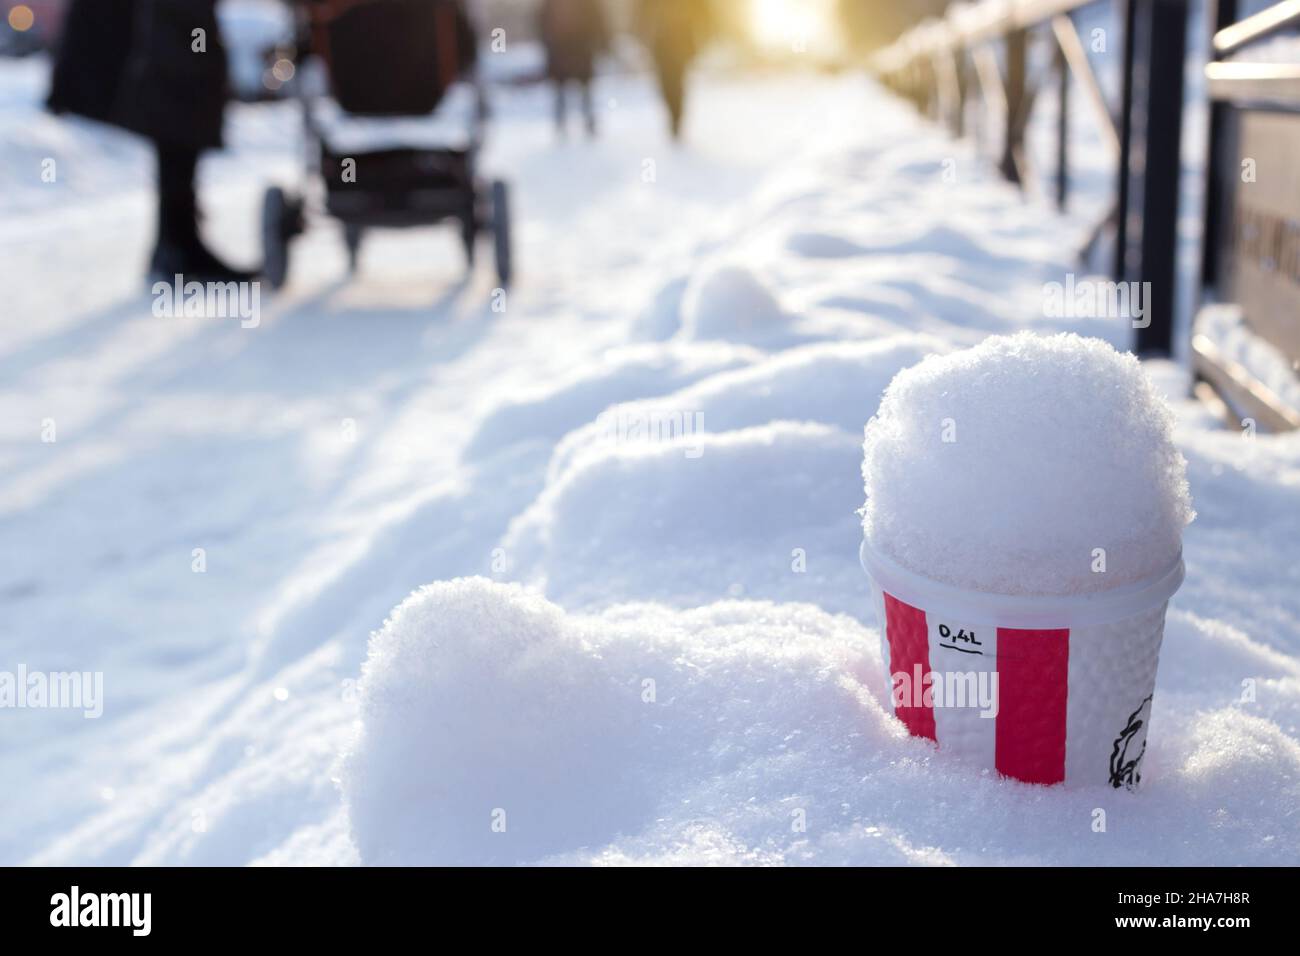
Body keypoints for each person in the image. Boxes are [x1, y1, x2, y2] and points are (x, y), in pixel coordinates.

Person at [47, 0, 256, 283]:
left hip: (174, 28)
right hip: (170, 29)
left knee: (181, 124)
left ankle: (177, 242)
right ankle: (177, 245)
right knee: (179, 118)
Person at [635, 0, 710, 140]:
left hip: (682, 42)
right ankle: (672, 114)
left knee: (678, 82)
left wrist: (703, 35)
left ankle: (677, 117)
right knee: (665, 85)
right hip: (660, 45)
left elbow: (703, 12)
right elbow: (642, 13)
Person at [538, 0, 610, 138]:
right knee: (577, 88)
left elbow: (542, 20)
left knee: (572, 89)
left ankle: (568, 122)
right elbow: (597, 18)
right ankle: (577, 122)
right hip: (575, 46)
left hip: (568, 47)